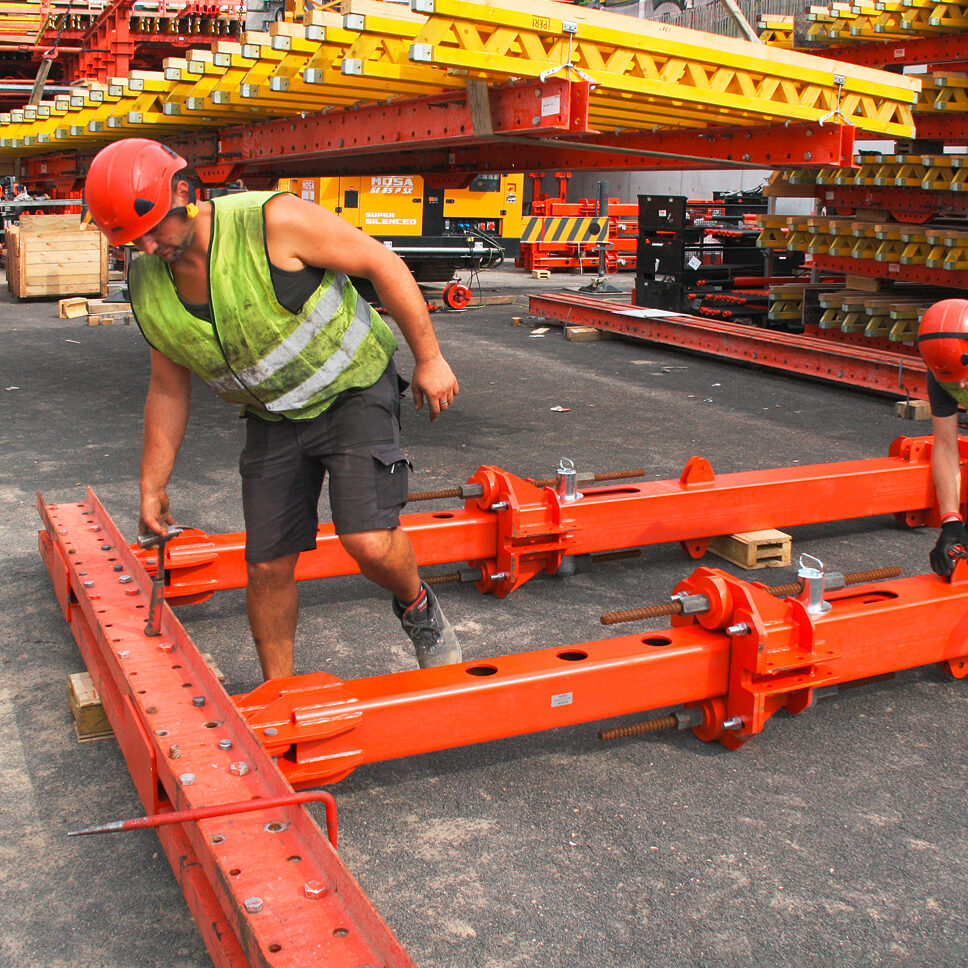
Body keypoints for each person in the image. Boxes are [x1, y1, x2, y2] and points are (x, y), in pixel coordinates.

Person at [84, 138, 462, 680]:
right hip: (274, 416)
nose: (145, 249)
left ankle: (416, 605)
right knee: (264, 566)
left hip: (352, 390)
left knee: (369, 542)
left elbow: (382, 262)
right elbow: (168, 389)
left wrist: (430, 359)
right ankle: (277, 697)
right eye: (128, 240)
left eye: (152, 229)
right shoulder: (147, 284)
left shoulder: (270, 222)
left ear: (185, 193)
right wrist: (152, 483)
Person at [917, 298, 968, 578]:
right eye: (952, 379)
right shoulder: (942, 364)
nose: (960, 386)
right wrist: (951, 522)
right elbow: (947, 445)